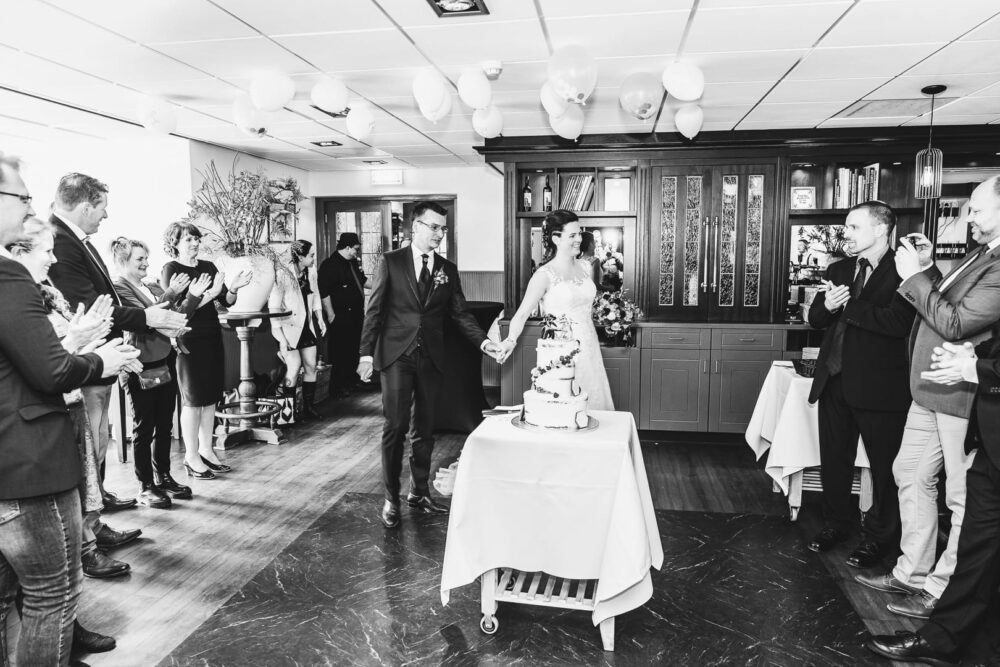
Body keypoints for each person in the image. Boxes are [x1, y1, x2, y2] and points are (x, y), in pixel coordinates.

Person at [0, 153, 138, 666]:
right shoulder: (9, 277)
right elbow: (51, 373)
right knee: (51, 595)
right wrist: (99, 359)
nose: (29, 206)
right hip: (27, 463)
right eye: (22, 197)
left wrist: (74, 342)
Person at [855, 176, 1000, 620]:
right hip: (928, 389)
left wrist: (915, 277)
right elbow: (944, 300)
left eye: (977, 209)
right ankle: (912, 572)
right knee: (909, 473)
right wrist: (929, 269)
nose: (969, 217)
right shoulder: (981, 254)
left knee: (960, 494)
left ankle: (941, 590)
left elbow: (957, 323)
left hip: (959, 393)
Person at [47, 173, 188, 517]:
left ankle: (99, 501)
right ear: (85, 207)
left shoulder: (77, 240)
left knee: (99, 439)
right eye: (102, 208)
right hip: (89, 357)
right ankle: (92, 520)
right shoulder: (60, 241)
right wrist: (148, 318)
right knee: (93, 443)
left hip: (105, 356)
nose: (105, 215)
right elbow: (89, 305)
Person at [357, 201, 500, 529]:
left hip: (432, 357)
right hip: (396, 355)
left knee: (425, 428)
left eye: (443, 228)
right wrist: (366, 354)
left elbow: (460, 313)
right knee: (395, 427)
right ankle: (391, 498)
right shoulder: (391, 262)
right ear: (416, 227)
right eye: (434, 227)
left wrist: (484, 342)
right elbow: (374, 311)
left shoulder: (447, 269)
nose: (439, 234)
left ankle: (419, 492)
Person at [866, 328, 1000, 666]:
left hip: (974, 410)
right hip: (985, 434)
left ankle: (944, 618)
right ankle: (942, 634)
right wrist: (977, 355)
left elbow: (961, 320)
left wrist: (977, 367)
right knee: (978, 541)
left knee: (971, 521)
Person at [804, 202, 916, 569]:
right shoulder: (839, 269)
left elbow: (898, 323)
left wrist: (848, 306)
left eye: (854, 227)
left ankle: (880, 538)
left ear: (881, 229)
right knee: (834, 461)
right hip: (834, 380)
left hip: (879, 387)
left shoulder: (904, 270)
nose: (846, 233)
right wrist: (827, 306)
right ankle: (836, 524)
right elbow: (816, 319)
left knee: (884, 468)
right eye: (846, 227)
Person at [497, 209, 614, 410]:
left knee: (593, 397)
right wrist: (510, 340)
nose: (579, 239)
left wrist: (609, 313)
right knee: (562, 404)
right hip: (561, 348)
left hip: (589, 344)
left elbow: (585, 302)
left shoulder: (586, 267)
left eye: (579, 234)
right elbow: (522, 313)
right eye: (572, 235)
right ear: (556, 239)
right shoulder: (544, 275)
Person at [162, 222, 251, 478]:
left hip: (212, 336)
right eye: (188, 239)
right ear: (175, 243)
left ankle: (206, 450)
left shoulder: (208, 266)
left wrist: (233, 288)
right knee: (193, 400)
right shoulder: (171, 269)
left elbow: (225, 301)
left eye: (196, 239)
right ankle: (191, 456)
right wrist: (209, 294)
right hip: (188, 340)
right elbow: (179, 311)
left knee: (210, 397)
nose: (195, 244)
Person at [111, 237, 193, 507]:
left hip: (164, 358)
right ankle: (145, 485)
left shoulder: (150, 285)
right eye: (140, 259)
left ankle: (164, 477)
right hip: (138, 364)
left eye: (146, 258)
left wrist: (176, 299)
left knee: (165, 423)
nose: (146, 263)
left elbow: (174, 313)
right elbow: (142, 318)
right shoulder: (119, 287)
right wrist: (170, 294)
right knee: (144, 427)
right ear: (123, 261)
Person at [268, 239, 326, 418]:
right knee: (294, 367)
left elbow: (316, 294)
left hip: (306, 327)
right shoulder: (283, 274)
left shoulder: (311, 271)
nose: (314, 258)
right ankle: (289, 413)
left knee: (311, 366)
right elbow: (273, 307)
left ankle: (308, 408)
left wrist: (319, 318)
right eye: (311, 255)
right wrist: (281, 340)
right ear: (300, 257)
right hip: (287, 329)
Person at [319, 232, 367, 397]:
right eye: (355, 249)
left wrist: (383, 284)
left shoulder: (352, 263)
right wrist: (331, 315)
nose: (357, 252)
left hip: (356, 315)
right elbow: (324, 292)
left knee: (353, 349)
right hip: (340, 315)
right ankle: (338, 386)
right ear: (347, 247)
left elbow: (362, 281)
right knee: (340, 351)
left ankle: (352, 381)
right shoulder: (329, 265)